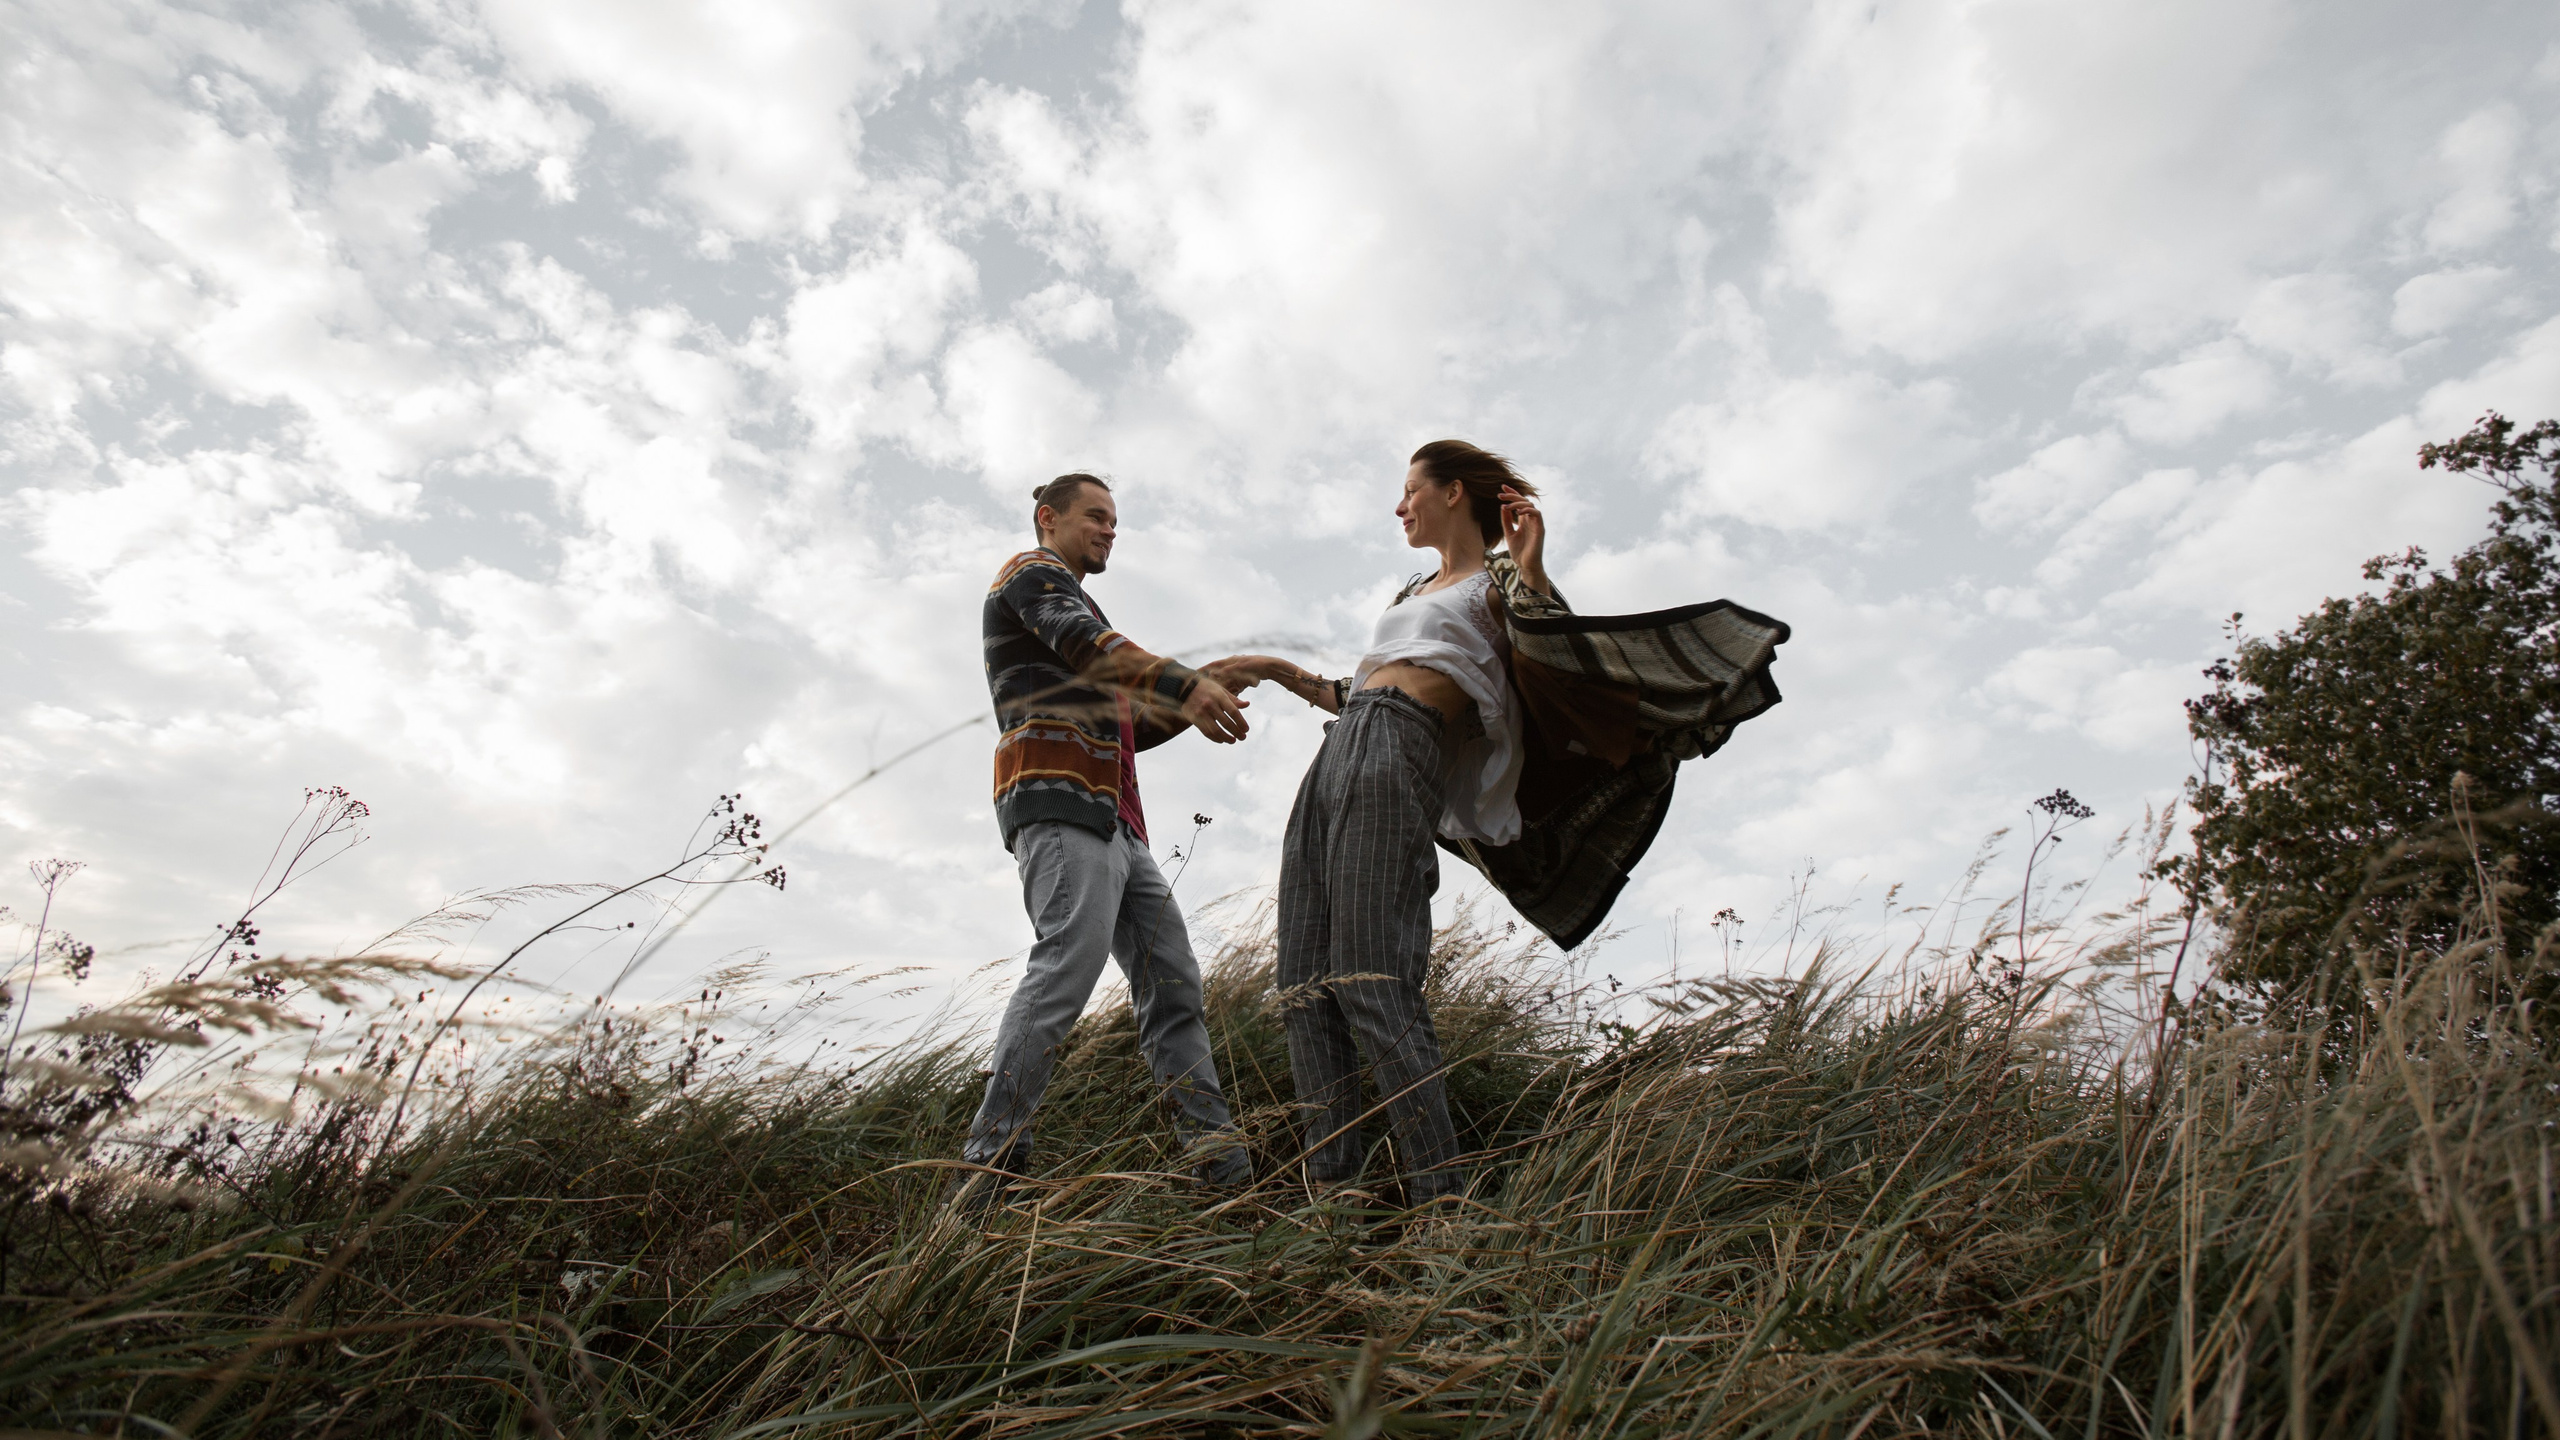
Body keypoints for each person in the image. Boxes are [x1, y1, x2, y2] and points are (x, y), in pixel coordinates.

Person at [1227, 439, 1791, 1206]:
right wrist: (1271, 670)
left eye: (1409, 491)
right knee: (1304, 982)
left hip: (1401, 742)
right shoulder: (1411, 592)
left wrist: (1531, 565)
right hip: (1342, 747)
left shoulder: (1497, 581)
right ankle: (1336, 1203)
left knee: (1368, 973)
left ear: (1453, 492)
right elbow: (1356, 685)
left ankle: (1441, 1202)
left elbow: (1553, 645)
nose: (1399, 507)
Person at [952, 472, 1263, 1211]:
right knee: (1069, 961)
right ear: (1047, 517)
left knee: (1173, 981)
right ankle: (990, 1173)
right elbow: (1087, 645)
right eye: (1096, 516)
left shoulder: (1080, 603)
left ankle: (1222, 1174)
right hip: (1061, 806)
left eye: (1116, 521)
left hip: (1124, 827)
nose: (1109, 529)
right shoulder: (1033, 576)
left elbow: (1134, 728)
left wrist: (1197, 696)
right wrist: (1185, 682)